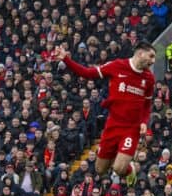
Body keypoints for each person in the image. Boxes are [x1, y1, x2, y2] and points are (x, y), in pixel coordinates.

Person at [54, 41, 156, 186]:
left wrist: (144, 122)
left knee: (119, 169)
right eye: (151, 56)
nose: (153, 61)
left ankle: (129, 168)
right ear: (140, 53)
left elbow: (147, 105)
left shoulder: (149, 79)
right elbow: (87, 73)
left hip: (131, 128)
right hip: (113, 125)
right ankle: (119, 158)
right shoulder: (116, 66)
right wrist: (66, 59)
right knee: (100, 169)